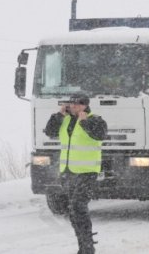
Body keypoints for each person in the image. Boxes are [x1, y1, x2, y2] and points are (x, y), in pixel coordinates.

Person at [44, 93, 107, 254]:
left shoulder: (95, 119)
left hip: (88, 172)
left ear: (86, 105)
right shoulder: (64, 120)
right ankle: (84, 246)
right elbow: (50, 131)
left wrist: (84, 121)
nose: (75, 107)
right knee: (73, 210)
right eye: (73, 104)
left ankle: (87, 248)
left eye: (79, 104)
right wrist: (59, 114)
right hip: (69, 172)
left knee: (78, 206)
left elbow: (100, 134)